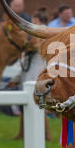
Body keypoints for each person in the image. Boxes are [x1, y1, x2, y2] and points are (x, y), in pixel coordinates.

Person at [8, 8, 51, 140]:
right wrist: (16, 78)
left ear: (38, 20)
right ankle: (22, 133)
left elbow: (34, 48)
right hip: (29, 72)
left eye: (34, 20)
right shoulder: (34, 34)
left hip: (36, 72)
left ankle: (46, 136)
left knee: (39, 106)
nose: (31, 23)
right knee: (24, 106)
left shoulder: (44, 34)